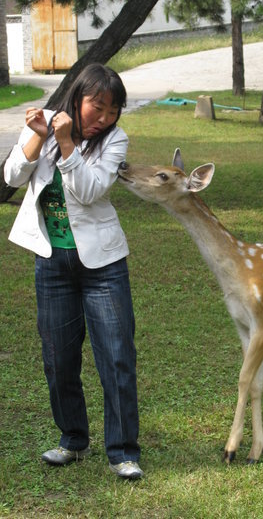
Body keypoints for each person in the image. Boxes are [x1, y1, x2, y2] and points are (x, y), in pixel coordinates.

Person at [4, 63, 142, 480]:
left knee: (116, 356)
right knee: (58, 358)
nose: (104, 119)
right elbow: (11, 175)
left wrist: (65, 144)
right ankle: (72, 440)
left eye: (112, 110)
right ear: (77, 97)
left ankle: (122, 451)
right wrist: (40, 139)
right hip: (52, 262)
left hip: (103, 266)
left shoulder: (116, 141)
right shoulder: (44, 123)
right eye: (97, 107)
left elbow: (88, 191)